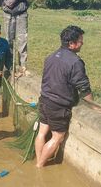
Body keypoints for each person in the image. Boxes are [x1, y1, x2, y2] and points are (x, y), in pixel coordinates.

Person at [34, 25, 94, 168]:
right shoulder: (75, 62)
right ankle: (39, 166)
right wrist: (93, 106)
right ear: (71, 44)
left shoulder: (51, 56)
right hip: (58, 106)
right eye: (80, 41)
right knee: (57, 137)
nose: (82, 43)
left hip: (44, 100)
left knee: (42, 132)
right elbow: (84, 89)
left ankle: (38, 161)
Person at [0, 0, 33, 77]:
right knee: (8, 41)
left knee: (23, 40)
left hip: (22, 13)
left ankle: (23, 67)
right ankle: (10, 67)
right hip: (8, 13)